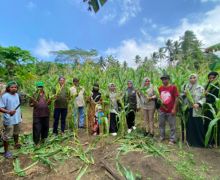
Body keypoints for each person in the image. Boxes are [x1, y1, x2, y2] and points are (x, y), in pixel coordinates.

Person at [0, 81, 22, 158]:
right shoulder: (5, 96)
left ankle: (16, 143)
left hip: (17, 118)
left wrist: (20, 116)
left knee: (16, 133)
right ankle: (6, 152)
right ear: (8, 88)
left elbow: (18, 106)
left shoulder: (17, 95)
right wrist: (8, 112)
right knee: (7, 135)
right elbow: (0, 108)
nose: (14, 88)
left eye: (15, 87)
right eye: (12, 87)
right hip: (9, 119)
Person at [183, 74, 205, 147]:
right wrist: (185, 95)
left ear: (197, 78)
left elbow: (204, 98)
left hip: (197, 109)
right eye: (191, 78)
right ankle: (190, 142)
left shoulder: (201, 88)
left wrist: (198, 104)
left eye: (194, 78)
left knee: (198, 125)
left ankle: (199, 143)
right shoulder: (186, 88)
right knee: (190, 126)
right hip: (189, 109)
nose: (192, 79)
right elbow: (182, 98)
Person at [158, 75, 179, 145]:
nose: (164, 81)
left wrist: (174, 109)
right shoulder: (160, 88)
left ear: (168, 79)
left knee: (172, 125)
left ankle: (172, 139)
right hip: (162, 109)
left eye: (165, 79)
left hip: (170, 110)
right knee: (161, 124)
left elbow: (176, 98)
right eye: (163, 79)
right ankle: (162, 137)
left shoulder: (173, 87)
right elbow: (159, 97)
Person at [30, 82, 50, 146]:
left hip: (46, 114)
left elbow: (49, 103)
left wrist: (49, 101)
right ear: (37, 87)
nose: (40, 88)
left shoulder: (46, 94)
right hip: (37, 115)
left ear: (43, 87)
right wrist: (34, 103)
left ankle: (43, 139)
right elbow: (30, 104)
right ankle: (36, 142)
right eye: (39, 87)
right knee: (37, 128)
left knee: (45, 127)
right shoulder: (34, 95)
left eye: (41, 87)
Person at [204, 71, 220, 147]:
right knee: (208, 124)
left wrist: (207, 95)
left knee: (214, 125)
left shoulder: (217, 87)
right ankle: (209, 141)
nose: (211, 79)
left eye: (213, 78)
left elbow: (215, 99)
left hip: (215, 109)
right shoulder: (208, 86)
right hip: (208, 109)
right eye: (210, 78)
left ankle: (214, 142)